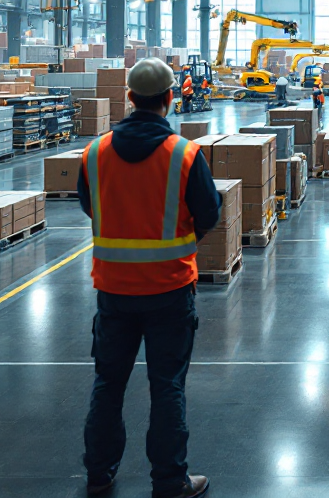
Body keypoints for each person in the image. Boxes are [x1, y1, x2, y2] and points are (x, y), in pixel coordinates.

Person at [77, 58, 221, 498]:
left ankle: (99, 473)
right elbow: (209, 213)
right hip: (169, 288)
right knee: (167, 386)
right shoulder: (184, 153)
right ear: (170, 97)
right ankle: (170, 480)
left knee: (108, 384)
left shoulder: (94, 153)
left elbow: (89, 205)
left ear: (129, 97)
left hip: (113, 289)